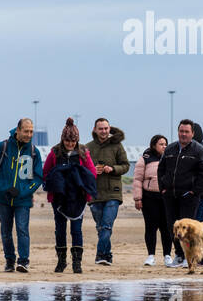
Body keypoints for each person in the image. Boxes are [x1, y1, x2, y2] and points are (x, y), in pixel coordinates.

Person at [0, 118, 43, 272]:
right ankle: (10, 260)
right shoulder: (1, 147)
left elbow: (38, 177)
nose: (29, 134)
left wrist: (23, 191)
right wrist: (4, 188)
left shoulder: (34, 152)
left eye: (31, 131)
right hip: (2, 198)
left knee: (22, 229)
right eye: (26, 131)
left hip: (23, 200)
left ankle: (23, 261)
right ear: (17, 130)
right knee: (6, 231)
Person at [42, 118, 97, 274]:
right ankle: (61, 261)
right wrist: (54, 182)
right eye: (67, 141)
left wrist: (81, 182)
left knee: (76, 230)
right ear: (62, 139)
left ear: (77, 140)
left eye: (73, 141)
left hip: (78, 198)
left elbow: (92, 172)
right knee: (59, 230)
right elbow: (46, 172)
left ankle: (76, 263)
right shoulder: (54, 152)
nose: (70, 144)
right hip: (59, 198)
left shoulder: (83, 152)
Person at [157, 119, 203, 268]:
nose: (184, 134)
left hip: (189, 196)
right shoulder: (170, 149)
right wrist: (163, 187)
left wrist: (195, 191)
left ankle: (190, 257)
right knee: (172, 228)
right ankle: (179, 255)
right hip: (170, 195)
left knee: (188, 229)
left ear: (192, 133)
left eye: (187, 132)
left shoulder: (199, 150)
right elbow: (161, 169)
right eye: (181, 131)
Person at [85, 117, 128, 266]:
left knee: (106, 226)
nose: (103, 131)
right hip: (95, 193)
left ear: (109, 129)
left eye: (106, 128)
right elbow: (81, 169)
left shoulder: (117, 146)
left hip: (113, 193)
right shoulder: (87, 148)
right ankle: (107, 255)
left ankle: (100, 255)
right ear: (95, 130)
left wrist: (113, 169)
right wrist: (92, 171)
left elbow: (126, 166)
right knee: (100, 227)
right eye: (101, 128)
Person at [133, 134, 173, 266]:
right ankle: (151, 255)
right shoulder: (145, 158)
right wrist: (138, 198)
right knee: (150, 227)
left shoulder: (170, 158)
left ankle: (167, 255)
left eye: (165, 144)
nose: (164, 146)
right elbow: (138, 179)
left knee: (166, 228)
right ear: (154, 145)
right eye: (161, 144)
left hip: (166, 198)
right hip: (149, 198)